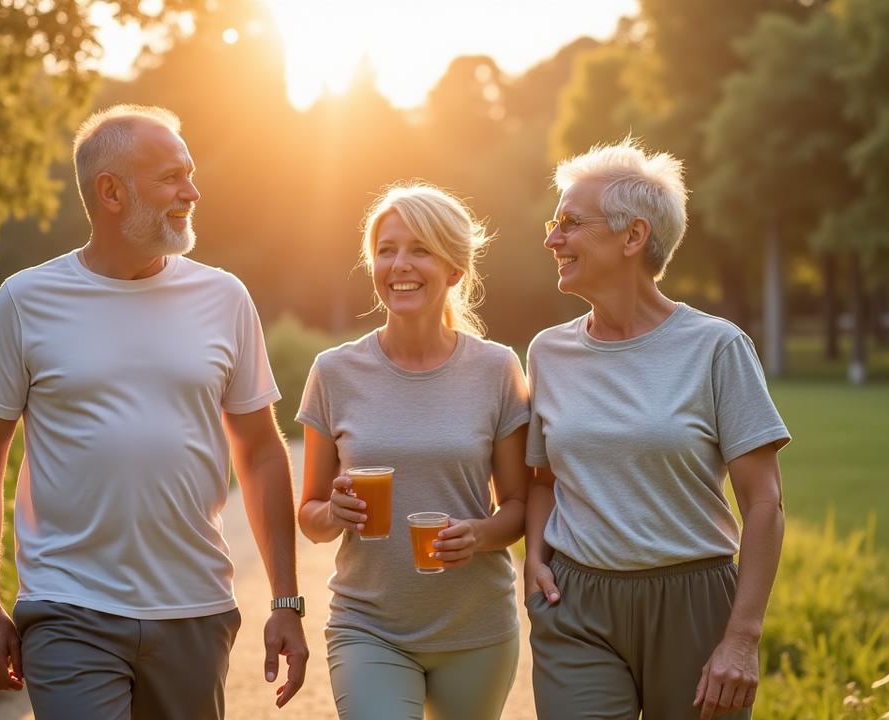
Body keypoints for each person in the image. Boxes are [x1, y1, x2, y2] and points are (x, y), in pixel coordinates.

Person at [0, 104, 308, 720]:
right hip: (68, 607)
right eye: (171, 177)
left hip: (193, 607)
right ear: (110, 191)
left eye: (190, 174)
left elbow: (261, 450)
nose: (192, 192)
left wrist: (286, 599)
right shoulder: (26, 300)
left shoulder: (224, 297)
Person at [523, 138, 791, 720]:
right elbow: (543, 477)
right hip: (577, 604)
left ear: (633, 236)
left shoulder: (718, 347)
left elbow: (764, 503)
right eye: (554, 222)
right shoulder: (548, 352)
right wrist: (534, 558)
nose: (552, 239)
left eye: (569, 223)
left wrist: (742, 638)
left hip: (694, 603)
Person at [296, 183, 530, 720]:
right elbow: (309, 517)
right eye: (386, 249)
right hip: (368, 625)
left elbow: (518, 506)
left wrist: (479, 534)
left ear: (454, 269)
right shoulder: (334, 372)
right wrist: (333, 512)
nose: (400, 264)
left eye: (420, 249)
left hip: (476, 628)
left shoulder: (497, 369)